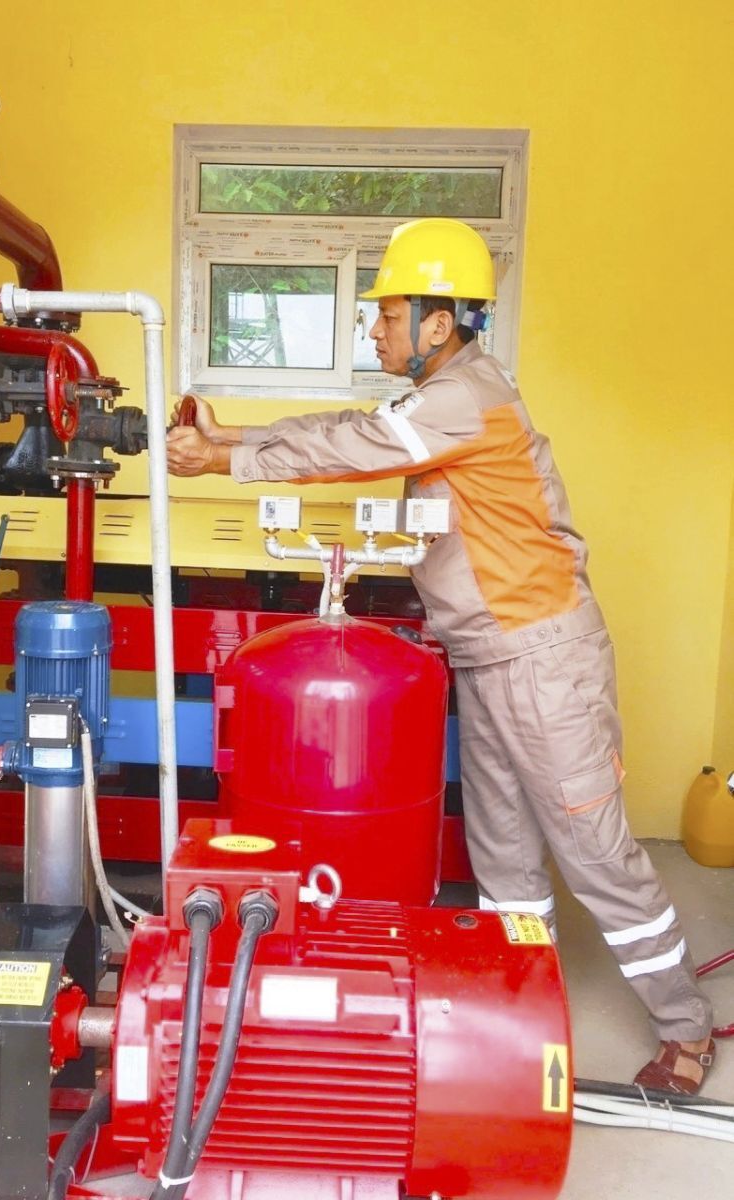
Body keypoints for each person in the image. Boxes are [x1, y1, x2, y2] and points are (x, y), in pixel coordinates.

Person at [166, 217, 715, 1094]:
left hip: (542, 657)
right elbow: (353, 424)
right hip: (488, 656)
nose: (374, 330)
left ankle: (686, 1028)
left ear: (439, 322)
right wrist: (231, 438)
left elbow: (353, 448)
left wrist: (223, 461)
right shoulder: (435, 400)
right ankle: (522, 1011)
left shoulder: (467, 396)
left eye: (389, 315)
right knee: (505, 860)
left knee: (595, 853)